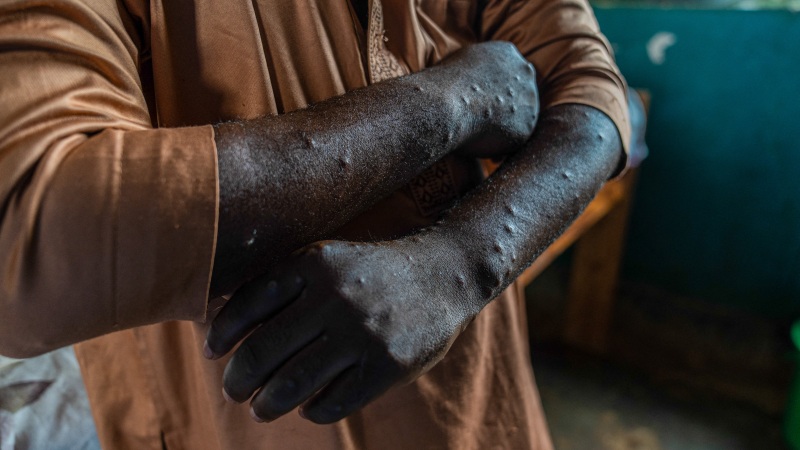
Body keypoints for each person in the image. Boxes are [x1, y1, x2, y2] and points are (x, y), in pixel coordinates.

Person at [0, 0, 629, 448]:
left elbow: (594, 100)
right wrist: (453, 100)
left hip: (482, 406)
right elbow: (29, 234)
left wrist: (460, 265)